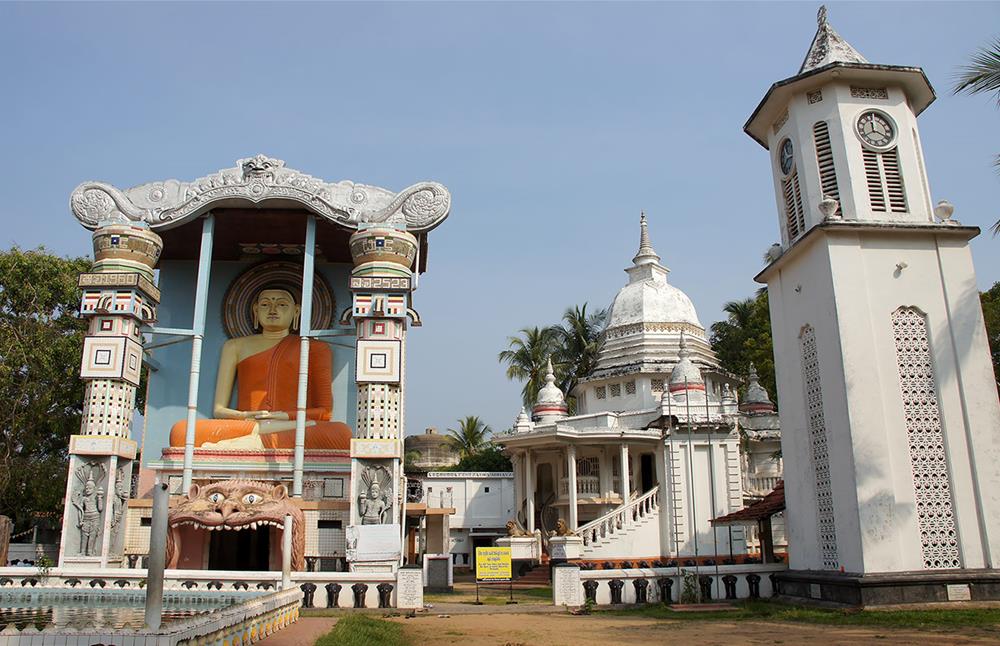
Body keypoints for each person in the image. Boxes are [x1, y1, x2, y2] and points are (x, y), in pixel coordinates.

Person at [169, 288, 351, 450]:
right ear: (255, 310)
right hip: (250, 425)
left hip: (292, 424)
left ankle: (244, 445)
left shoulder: (316, 348)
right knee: (182, 431)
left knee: (341, 433)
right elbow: (219, 410)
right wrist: (247, 416)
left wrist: (282, 416)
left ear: (296, 311)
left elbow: (324, 412)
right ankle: (256, 441)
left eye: (281, 304)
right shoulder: (234, 346)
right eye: (265, 304)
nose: (273, 310)